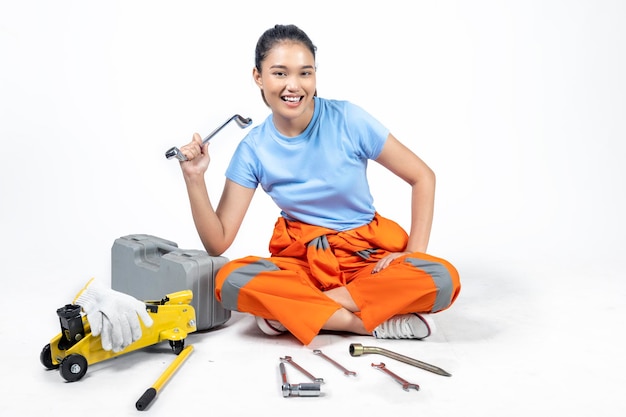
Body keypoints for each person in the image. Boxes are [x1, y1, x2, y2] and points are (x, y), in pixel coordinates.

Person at [177, 24, 461, 346]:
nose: (293, 86)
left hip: (365, 257)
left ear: (315, 75)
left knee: (442, 278)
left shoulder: (348, 120)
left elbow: (423, 176)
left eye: (305, 73)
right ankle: (366, 326)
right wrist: (194, 178)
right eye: (280, 73)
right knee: (230, 279)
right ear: (258, 77)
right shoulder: (253, 148)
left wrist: (413, 253)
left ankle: (291, 313)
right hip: (303, 261)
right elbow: (218, 242)